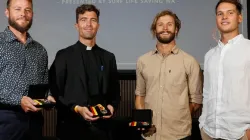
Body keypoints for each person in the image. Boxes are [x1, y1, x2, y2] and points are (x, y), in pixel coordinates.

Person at [49, 4, 120, 140]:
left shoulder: (108, 57)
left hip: (102, 130)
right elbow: (56, 91)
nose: (88, 24)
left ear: (98, 25)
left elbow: (115, 92)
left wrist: (112, 106)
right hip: (71, 129)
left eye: (93, 20)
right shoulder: (64, 55)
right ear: (77, 25)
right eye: (83, 20)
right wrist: (76, 108)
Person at [135, 9, 203, 140]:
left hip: (179, 135)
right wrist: (144, 123)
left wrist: (179, 118)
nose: (165, 28)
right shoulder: (142, 61)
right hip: (149, 136)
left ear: (176, 29)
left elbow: (196, 101)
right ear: (155, 30)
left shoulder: (190, 61)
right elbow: (140, 96)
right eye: (160, 24)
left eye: (170, 24)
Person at [0, 0, 55, 140]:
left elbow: (43, 84)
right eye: (18, 9)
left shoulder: (40, 50)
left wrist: (47, 97)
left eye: (27, 10)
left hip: (35, 123)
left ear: (32, 14)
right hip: (5, 121)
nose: (23, 14)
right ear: (7, 12)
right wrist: (19, 100)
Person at [199, 0, 250, 139]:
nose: (224, 17)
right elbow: (207, 93)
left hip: (240, 134)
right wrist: (202, 123)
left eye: (230, 13)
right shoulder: (210, 55)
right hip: (209, 133)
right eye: (220, 13)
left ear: (240, 18)